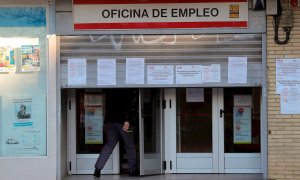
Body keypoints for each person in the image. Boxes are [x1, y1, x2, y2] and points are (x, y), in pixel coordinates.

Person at [93, 89, 139, 177]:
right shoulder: (125, 90)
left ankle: (97, 169)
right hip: (121, 122)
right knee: (129, 145)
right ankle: (133, 170)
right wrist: (127, 119)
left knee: (110, 144)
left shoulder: (109, 89)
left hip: (109, 121)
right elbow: (126, 105)